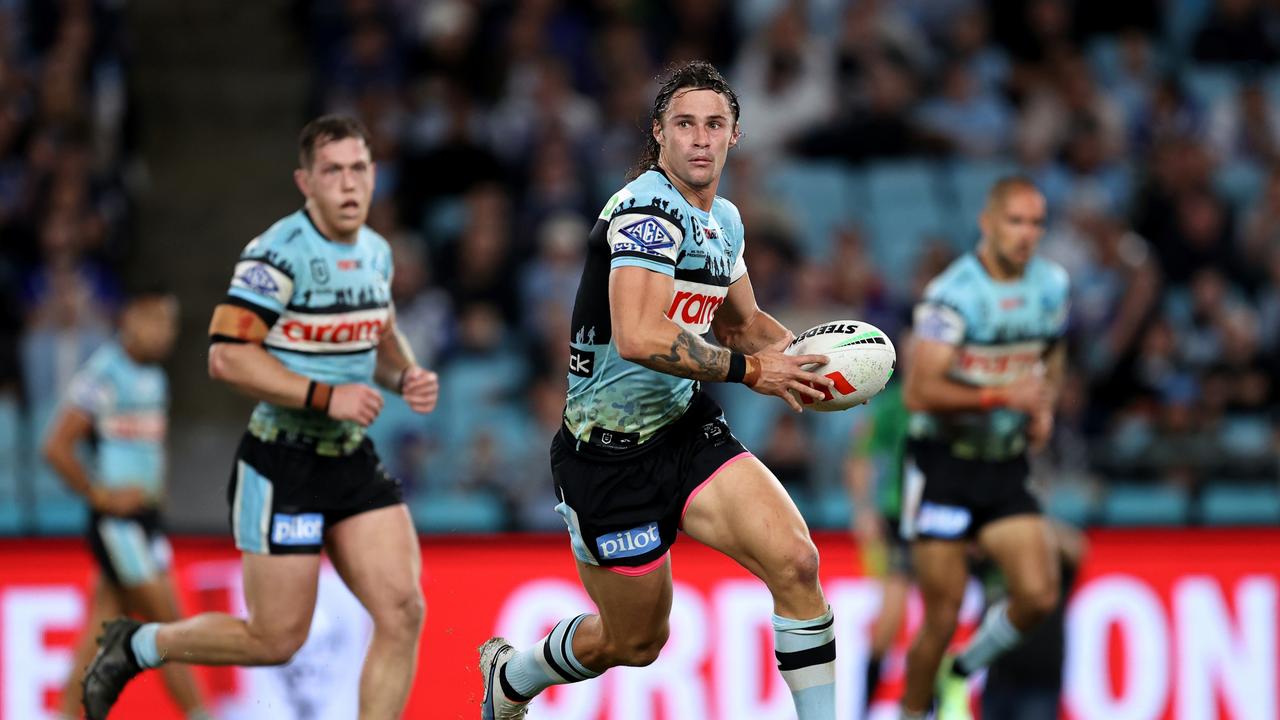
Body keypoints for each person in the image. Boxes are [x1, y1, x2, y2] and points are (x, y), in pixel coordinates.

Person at [479, 60, 842, 720]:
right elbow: (640, 336)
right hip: (607, 459)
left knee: (796, 562)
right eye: (684, 124)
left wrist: (812, 362)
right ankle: (514, 674)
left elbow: (740, 322)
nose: (700, 138)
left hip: (683, 428)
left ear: (735, 135)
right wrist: (756, 373)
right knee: (635, 641)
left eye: (714, 124)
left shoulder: (724, 220)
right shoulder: (644, 210)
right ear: (659, 134)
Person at [82, 115, 440, 720]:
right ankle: (141, 643)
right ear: (306, 182)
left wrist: (403, 373)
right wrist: (326, 397)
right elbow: (226, 356)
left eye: (358, 169)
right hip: (282, 462)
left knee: (403, 610)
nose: (349, 184)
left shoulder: (376, 253)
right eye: (333, 171)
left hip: (349, 455)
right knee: (276, 639)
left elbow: (377, 333)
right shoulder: (275, 255)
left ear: (374, 175)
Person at [898, 176, 1069, 720]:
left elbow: (1053, 351)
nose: (1027, 234)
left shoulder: (1052, 285)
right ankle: (911, 712)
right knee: (942, 614)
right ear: (988, 223)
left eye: (1036, 223)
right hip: (944, 466)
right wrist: (1002, 396)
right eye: (1016, 221)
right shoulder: (954, 294)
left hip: (1003, 466)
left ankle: (962, 670)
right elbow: (920, 391)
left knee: (1039, 595)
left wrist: (1043, 406)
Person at [43, 287, 214, 720]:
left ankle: (65, 713)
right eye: (156, 320)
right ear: (129, 319)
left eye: (170, 323)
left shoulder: (155, 378)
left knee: (100, 634)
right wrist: (100, 494)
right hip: (119, 526)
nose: (165, 332)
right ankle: (199, 712)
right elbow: (57, 447)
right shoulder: (104, 374)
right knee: (168, 627)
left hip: (146, 519)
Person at [845, 327, 912, 715]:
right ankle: (865, 708)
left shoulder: (954, 403)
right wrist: (863, 508)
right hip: (899, 518)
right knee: (893, 617)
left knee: (941, 617)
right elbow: (861, 456)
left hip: (949, 518)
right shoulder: (896, 405)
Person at [979, 520, 1085, 720]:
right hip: (997, 676)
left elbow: (1077, 550)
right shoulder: (995, 550)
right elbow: (971, 549)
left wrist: (1030, 530)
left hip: (1039, 680)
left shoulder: (1051, 555)